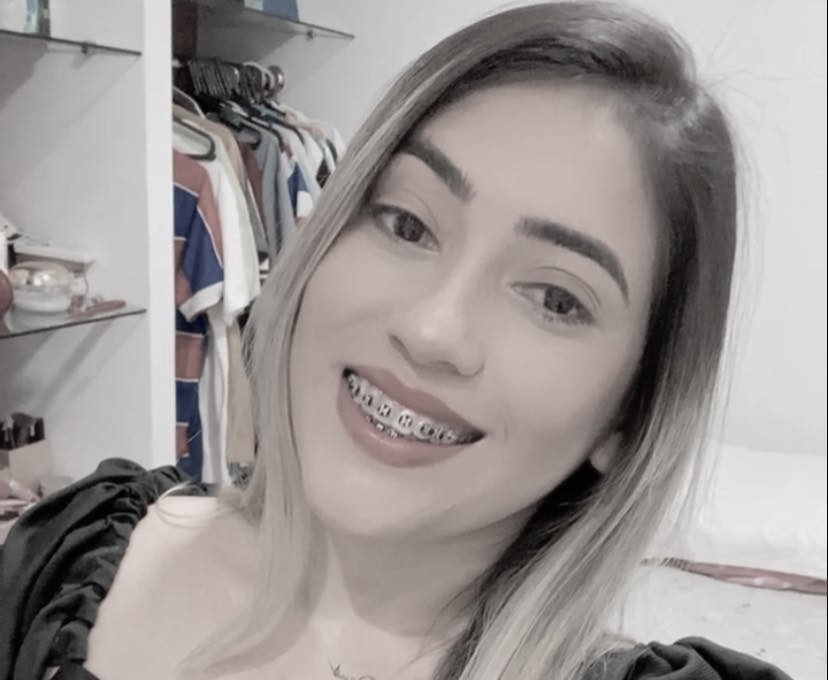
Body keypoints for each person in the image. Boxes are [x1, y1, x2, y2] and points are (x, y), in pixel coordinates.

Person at [0, 3, 796, 679]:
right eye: (407, 224)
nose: (430, 328)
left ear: (631, 412)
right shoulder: (61, 560)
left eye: (556, 299)